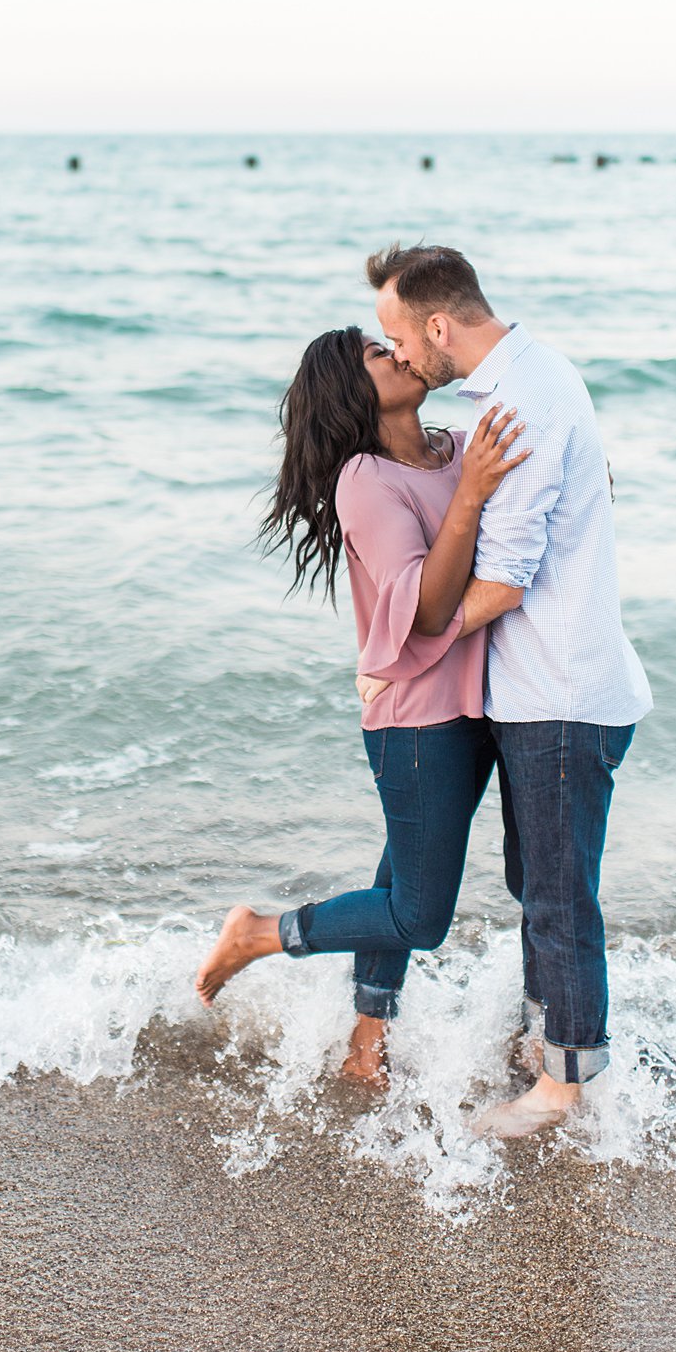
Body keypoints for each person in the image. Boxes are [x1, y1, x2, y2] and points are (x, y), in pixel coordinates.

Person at [367, 242, 652, 1135]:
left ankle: (563, 1088)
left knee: (560, 894)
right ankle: (550, 1041)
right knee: (541, 881)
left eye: (401, 338)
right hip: (549, 689)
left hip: (559, 692)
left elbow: (508, 580)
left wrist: (412, 641)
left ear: (440, 326)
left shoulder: (521, 401)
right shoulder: (532, 376)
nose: (403, 357)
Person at [194, 326, 528, 1084]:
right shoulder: (366, 481)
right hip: (417, 719)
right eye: (381, 354)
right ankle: (259, 932)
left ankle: (364, 1044)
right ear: (355, 391)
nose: (400, 352)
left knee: (397, 880)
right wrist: (475, 490)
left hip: (481, 702)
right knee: (420, 915)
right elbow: (429, 608)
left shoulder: (451, 446)